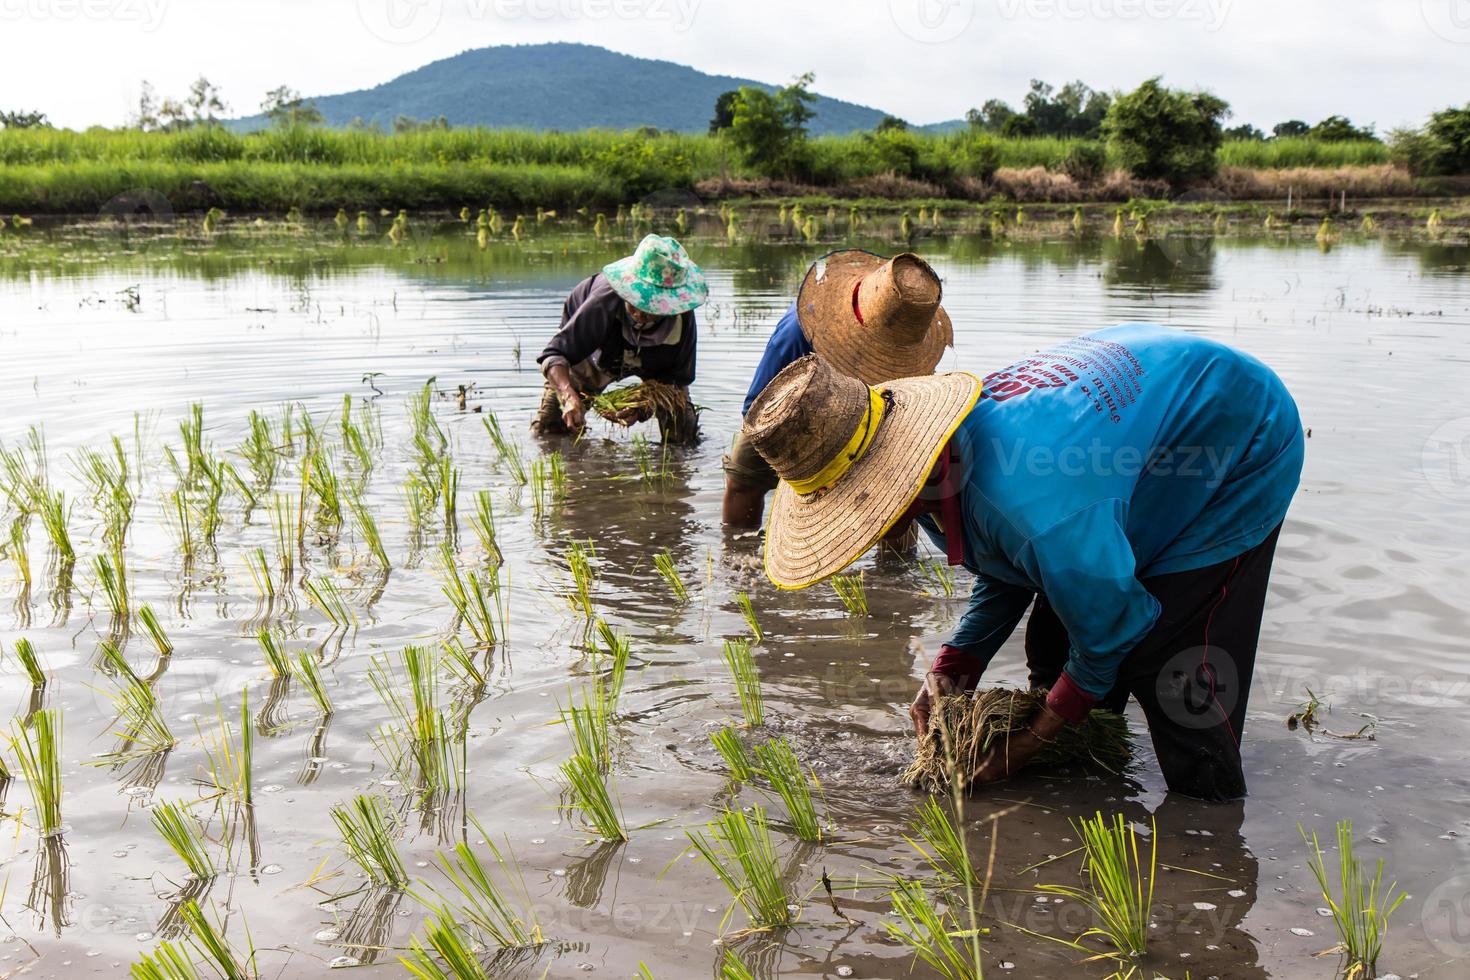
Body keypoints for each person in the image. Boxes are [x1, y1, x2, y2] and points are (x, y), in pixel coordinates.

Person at [741, 324, 1305, 802]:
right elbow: (1007, 565)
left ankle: (1209, 824)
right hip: (1130, 442)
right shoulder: (946, 461)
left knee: (1170, 666)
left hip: (1239, 438)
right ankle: (1100, 772)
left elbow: (1111, 624)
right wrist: (952, 670)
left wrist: (1030, 742)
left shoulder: (1030, 502)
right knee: (1057, 646)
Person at [721, 249, 953, 526]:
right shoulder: (805, 326)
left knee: (897, 495)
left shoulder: (912, 332)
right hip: (791, 407)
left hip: (872, 409)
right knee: (743, 481)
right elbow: (757, 405)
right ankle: (737, 553)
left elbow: (913, 409)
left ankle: (893, 566)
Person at [533, 234, 707, 444]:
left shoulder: (682, 319)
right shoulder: (602, 302)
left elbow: (676, 380)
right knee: (552, 427)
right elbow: (554, 355)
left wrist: (642, 408)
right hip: (593, 355)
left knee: (682, 430)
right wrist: (568, 395)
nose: (640, 313)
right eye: (636, 300)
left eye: (651, 306)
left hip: (656, 366)